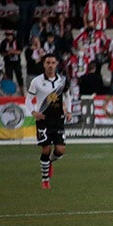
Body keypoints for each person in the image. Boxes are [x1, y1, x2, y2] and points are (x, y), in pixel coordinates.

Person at [27, 53, 72, 189]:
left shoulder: (63, 80)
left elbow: (67, 96)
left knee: (60, 150)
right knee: (46, 149)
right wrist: (33, 112)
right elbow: (28, 99)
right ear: (44, 64)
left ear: (57, 64)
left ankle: (49, 162)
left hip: (58, 119)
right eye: (48, 62)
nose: (50, 65)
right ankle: (45, 180)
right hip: (43, 120)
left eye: (53, 62)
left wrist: (68, 110)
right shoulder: (36, 81)